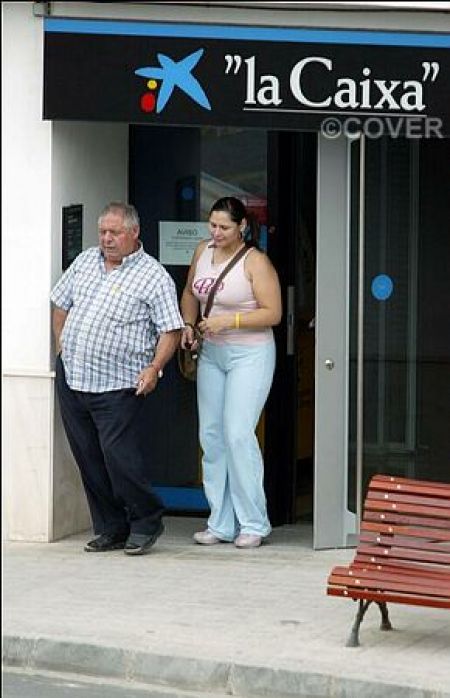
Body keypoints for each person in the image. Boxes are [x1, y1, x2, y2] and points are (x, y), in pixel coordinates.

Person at [50, 202, 184, 555]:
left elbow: (170, 329)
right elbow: (60, 303)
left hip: (119, 384)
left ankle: (146, 520)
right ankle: (112, 527)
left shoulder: (153, 276)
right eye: (103, 232)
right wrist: (62, 346)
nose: (106, 239)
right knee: (88, 457)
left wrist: (154, 368)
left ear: (134, 233)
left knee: (118, 458)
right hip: (73, 377)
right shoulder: (85, 261)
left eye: (115, 232)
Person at [180, 196, 282, 548]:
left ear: (242, 226)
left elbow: (273, 312)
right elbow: (190, 293)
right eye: (212, 225)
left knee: (238, 433)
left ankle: (253, 522)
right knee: (211, 436)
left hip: (250, 353)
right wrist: (189, 324)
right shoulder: (202, 251)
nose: (216, 232)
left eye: (224, 226)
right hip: (212, 353)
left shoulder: (256, 261)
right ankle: (220, 522)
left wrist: (230, 321)